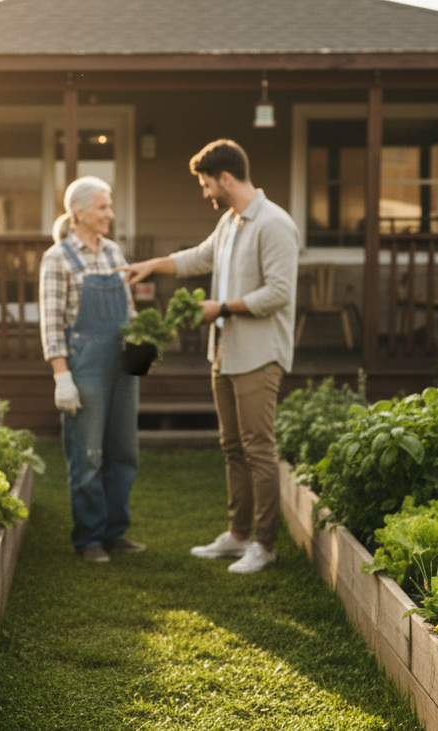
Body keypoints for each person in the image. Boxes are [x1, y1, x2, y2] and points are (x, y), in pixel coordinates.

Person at [121, 139, 299, 574]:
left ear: (225, 178)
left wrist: (220, 308)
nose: (204, 193)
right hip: (224, 352)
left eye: (205, 184)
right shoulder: (230, 222)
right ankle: (238, 535)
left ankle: (265, 544)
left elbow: (279, 293)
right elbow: (198, 258)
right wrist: (151, 265)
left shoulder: (273, 224)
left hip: (259, 355)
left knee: (258, 449)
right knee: (232, 447)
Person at [39, 175, 144, 563]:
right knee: (88, 454)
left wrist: (142, 349)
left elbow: (129, 311)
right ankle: (89, 539)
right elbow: (51, 325)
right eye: (102, 207)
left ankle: (115, 532)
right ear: (79, 212)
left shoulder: (114, 252)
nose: (109, 215)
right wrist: (61, 376)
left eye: (109, 206)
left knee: (123, 451)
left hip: (122, 363)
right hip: (84, 364)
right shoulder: (58, 258)